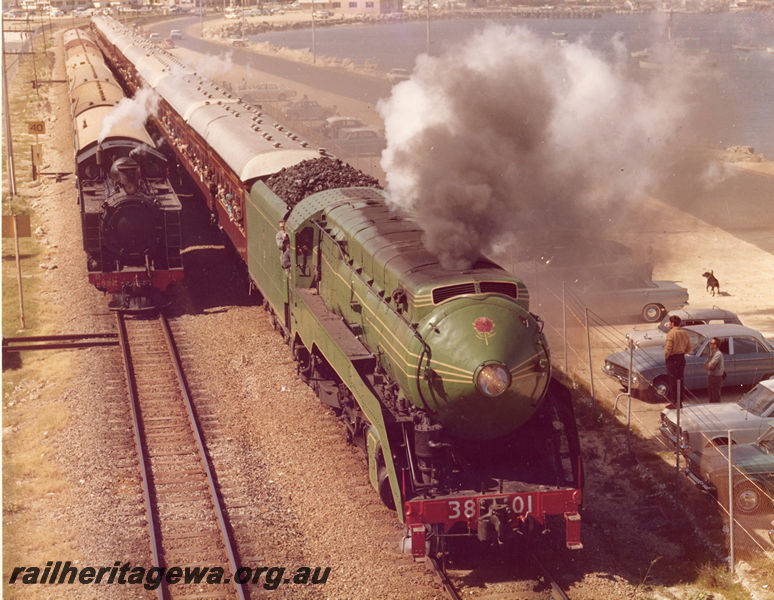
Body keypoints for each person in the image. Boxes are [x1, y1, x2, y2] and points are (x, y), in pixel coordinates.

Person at [664, 315, 691, 406]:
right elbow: (689, 348)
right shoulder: (685, 333)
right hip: (681, 358)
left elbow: (668, 349)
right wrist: (682, 352)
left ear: (672, 323)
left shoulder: (671, 334)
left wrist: (667, 357)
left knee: (672, 381)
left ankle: (674, 402)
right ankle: (680, 402)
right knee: (680, 381)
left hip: (673, 359)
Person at [704, 337, 724, 403]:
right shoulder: (712, 353)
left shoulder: (718, 354)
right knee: (711, 396)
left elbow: (710, 366)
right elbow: (705, 364)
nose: (710, 345)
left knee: (715, 396)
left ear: (715, 345)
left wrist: (707, 365)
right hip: (710, 376)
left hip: (716, 378)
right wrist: (707, 365)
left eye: (711, 343)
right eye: (710, 343)